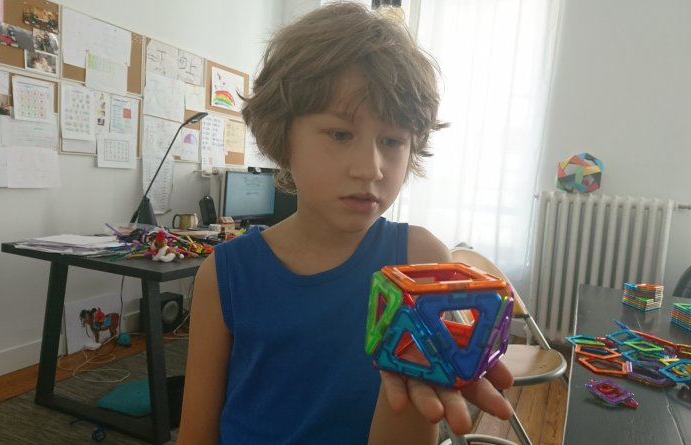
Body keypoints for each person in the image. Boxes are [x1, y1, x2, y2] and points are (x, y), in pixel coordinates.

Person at [177, 3, 514, 445]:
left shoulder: (419, 260)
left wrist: (417, 386)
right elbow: (196, 434)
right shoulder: (224, 275)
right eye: (340, 134)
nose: (370, 168)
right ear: (283, 135)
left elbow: (416, 417)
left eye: (392, 140)